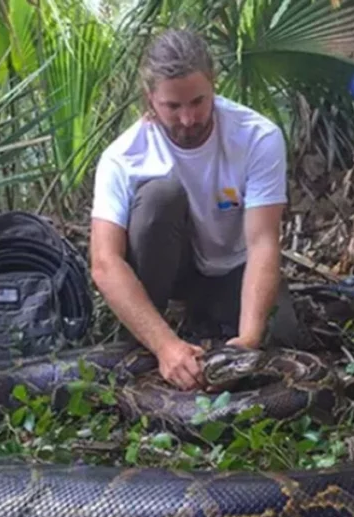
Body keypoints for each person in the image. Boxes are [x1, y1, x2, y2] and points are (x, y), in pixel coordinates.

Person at [89, 28, 308, 391]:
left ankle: (207, 322)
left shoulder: (257, 136)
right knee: (160, 196)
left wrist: (248, 341)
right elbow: (104, 262)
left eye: (198, 102)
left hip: (232, 267)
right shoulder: (122, 157)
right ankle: (157, 328)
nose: (188, 119)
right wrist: (164, 346)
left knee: (281, 337)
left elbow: (263, 243)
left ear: (213, 85)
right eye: (172, 107)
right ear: (149, 99)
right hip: (172, 272)